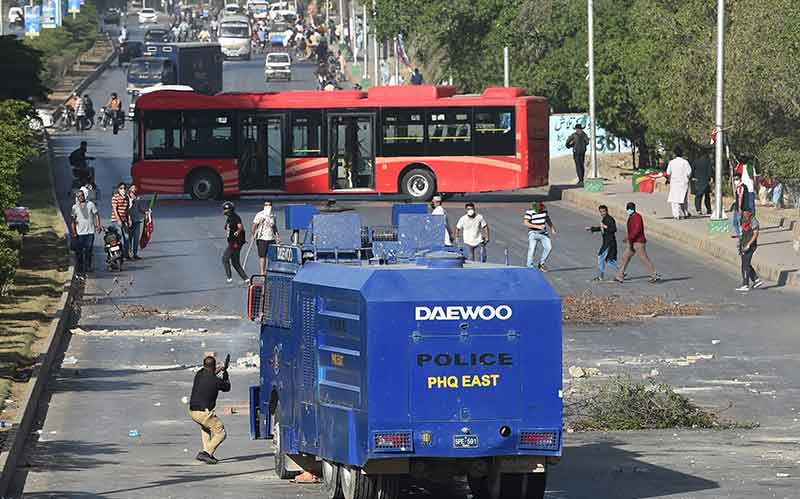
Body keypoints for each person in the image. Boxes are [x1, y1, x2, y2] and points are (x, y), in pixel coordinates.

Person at [189, 355, 230, 464]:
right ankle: (205, 453)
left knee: (206, 427)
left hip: (193, 411)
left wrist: (219, 369)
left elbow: (210, 374)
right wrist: (225, 374)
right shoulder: (216, 381)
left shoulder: (199, 374)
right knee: (221, 433)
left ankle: (209, 454)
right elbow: (227, 387)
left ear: (204, 365)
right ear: (214, 366)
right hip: (204, 413)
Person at [615, 202, 660, 283]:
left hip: (638, 242)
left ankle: (654, 275)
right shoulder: (632, 216)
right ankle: (620, 275)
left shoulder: (637, 217)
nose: (629, 210)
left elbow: (637, 230)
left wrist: (629, 237)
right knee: (625, 258)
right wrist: (628, 238)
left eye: (629, 209)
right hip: (632, 241)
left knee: (644, 258)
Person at [70, 190, 103, 276]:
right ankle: (80, 267)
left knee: (89, 249)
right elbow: (73, 220)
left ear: (84, 196)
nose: (81, 197)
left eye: (82, 195)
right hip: (80, 232)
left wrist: (98, 226)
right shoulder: (74, 207)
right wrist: (73, 232)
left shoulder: (90, 204)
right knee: (79, 251)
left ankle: (88, 266)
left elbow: (96, 215)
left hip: (90, 231)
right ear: (77, 198)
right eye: (79, 196)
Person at [586, 204, 619, 281]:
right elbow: (601, 228)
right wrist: (592, 229)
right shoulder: (604, 219)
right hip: (607, 242)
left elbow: (614, 229)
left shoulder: (609, 219)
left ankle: (600, 276)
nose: (602, 213)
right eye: (601, 211)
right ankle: (621, 272)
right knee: (609, 260)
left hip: (609, 242)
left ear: (606, 211)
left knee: (601, 257)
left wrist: (605, 227)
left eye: (603, 211)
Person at [524, 202, 556, 272]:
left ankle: (541, 263)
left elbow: (547, 219)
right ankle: (529, 266)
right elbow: (526, 223)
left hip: (543, 233)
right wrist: (537, 226)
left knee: (548, 248)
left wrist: (552, 228)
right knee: (532, 249)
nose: (540, 210)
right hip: (533, 233)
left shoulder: (544, 211)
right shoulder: (529, 212)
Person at [736, 210, 764, 291]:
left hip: (750, 246)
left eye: (746, 211)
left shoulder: (753, 221)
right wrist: (740, 243)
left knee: (745, 265)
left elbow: (755, 234)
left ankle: (745, 284)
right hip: (744, 243)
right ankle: (756, 280)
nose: (744, 213)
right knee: (746, 263)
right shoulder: (742, 218)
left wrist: (748, 244)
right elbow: (742, 232)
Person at [222, 201, 249, 284]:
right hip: (232, 241)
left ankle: (229, 278)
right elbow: (227, 227)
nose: (224, 212)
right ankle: (246, 279)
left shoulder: (235, 217)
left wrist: (237, 232)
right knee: (235, 262)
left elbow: (240, 227)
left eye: (226, 210)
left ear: (230, 210)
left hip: (235, 242)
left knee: (225, 258)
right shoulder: (229, 218)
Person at [251, 200, 280, 275]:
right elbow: (254, 225)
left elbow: (274, 227)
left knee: (272, 256)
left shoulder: (273, 216)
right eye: (265, 205)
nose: (267, 206)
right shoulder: (260, 214)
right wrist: (253, 234)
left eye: (269, 205)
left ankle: (270, 270)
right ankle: (262, 272)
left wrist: (277, 236)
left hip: (271, 238)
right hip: (262, 238)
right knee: (262, 256)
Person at [666, 146, 692, 219]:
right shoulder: (685, 162)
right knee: (683, 199)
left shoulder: (671, 162)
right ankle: (685, 213)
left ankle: (676, 215)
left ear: (674, 154)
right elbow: (689, 173)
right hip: (684, 183)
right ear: (682, 153)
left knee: (674, 200)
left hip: (674, 183)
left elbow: (668, 173)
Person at [110, 182, 132, 259]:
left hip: (124, 220)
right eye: (121, 188)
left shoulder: (127, 198)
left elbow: (127, 210)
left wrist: (129, 219)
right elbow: (115, 210)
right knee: (118, 238)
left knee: (127, 238)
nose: (123, 190)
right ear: (118, 189)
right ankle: (118, 254)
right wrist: (118, 220)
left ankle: (126, 255)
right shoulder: (115, 197)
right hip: (116, 221)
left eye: (124, 188)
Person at [127, 184, 147, 260]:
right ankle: (128, 254)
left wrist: (146, 212)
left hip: (137, 221)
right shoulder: (127, 198)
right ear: (129, 189)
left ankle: (135, 254)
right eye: (132, 188)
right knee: (129, 238)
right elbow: (127, 209)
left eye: (135, 188)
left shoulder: (138, 198)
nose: (134, 189)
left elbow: (139, 209)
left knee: (136, 238)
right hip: (129, 221)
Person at [731, 172, 749, 237]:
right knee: (735, 222)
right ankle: (740, 235)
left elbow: (740, 197)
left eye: (737, 179)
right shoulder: (741, 187)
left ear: (740, 179)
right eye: (734, 179)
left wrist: (739, 208)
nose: (735, 181)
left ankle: (741, 235)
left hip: (740, 208)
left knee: (738, 222)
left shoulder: (741, 187)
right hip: (738, 208)